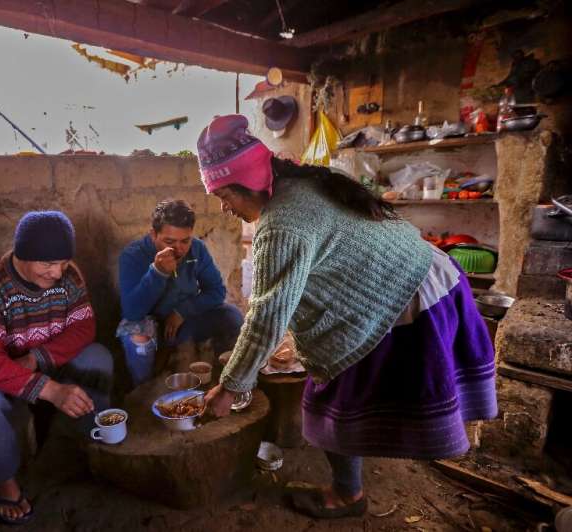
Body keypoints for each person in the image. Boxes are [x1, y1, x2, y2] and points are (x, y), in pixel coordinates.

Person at [198, 115, 497, 518]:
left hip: (408, 298)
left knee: (330, 402)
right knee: (335, 396)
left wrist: (229, 387)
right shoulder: (300, 184)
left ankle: (347, 496)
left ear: (246, 183)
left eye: (223, 194)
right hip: (425, 276)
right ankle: (349, 491)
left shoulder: (281, 222)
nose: (223, 205)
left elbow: (265, 316)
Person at [0, 210, 113, 525]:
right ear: (21, 255)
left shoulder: (69, 275)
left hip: (45, 358)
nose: (57, 273)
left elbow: (83, 329)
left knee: (98, 358)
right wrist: (50, 390)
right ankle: (4, 479)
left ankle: (89, 442)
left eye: (63, 262)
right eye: (47, 264)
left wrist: (37, 360)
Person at [117, 199, 243, 386]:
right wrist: (158, 273)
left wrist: (182, 311)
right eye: (169, 241)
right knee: (135, 335)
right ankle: (144, 391)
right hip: (153, 323)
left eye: (185, 241)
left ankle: (222, 381)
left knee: (232, 316)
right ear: (153, 235)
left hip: (185, 321)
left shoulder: (196, 249)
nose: (179, 249)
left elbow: (216, 291)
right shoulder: (133, 255)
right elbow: (132, 313)